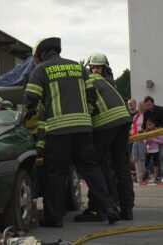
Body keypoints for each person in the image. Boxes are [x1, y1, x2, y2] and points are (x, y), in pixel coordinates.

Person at [24, 37, 120, 227]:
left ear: (41, 54)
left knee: (56, 173)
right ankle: (109, 207)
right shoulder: (78, 67)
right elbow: (92, 96)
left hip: (57, 130)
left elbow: (30, 98)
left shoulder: (41, 69)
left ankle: (55, 218)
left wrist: (30, 112)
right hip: (83, 128)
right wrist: (84, 116)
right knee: (91, 168)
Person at [74, 53, 135, 222]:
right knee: (121, 165)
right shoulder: (108, 82)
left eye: (98, 67)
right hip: (123, 120)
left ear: (105, 68)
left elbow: (88, 106)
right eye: (93, 67)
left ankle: (108, 207)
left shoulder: (87, 81)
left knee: (101, 165)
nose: (95, 70)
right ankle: (127, 210)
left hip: (106, 123)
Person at [142, 96, 163, 179]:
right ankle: (155, 176)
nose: (148, 107)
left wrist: (158, 128)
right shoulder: (146, 112)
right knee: (150, 159)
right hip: (151, 138)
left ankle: (160, 176)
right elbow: (144, 126)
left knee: (161, 155)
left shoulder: (161, 110)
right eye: (146, 105)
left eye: (149, 104)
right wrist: (145, 133)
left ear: (153, 103)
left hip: (160, 135)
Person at [143, 118, 163, 182]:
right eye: (148, 125)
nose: (149, 126)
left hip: (155, 150)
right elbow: (143, 139)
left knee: (156, 164)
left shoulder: (157, 131)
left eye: (150, 124)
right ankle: (143, 177)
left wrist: (152, 140)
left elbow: (161, 141)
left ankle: (155, 178)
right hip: (148, 150)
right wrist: (146, 141)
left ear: (154, 124)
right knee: (146, 164)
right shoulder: (146, 131)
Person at [131, 102, 147, 183]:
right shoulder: (136, 116)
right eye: (138, 107)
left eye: (141, 107)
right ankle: (139, 178)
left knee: (142, 159)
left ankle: (141, 178)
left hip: (143, 140)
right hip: (136, 139)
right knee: (136, 159)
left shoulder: (146, 116)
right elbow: (133, 127)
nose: (139, 108)